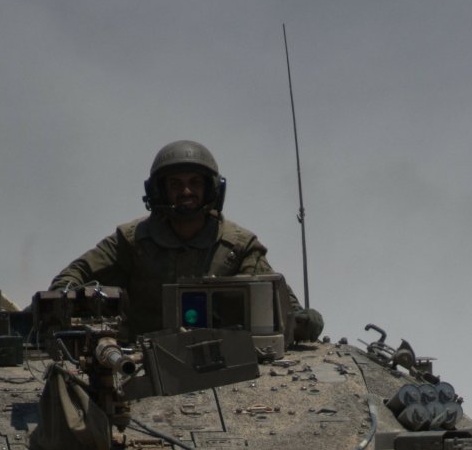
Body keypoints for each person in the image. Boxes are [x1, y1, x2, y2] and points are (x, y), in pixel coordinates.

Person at [50, 140, 321, 339]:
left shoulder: (237, 246)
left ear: (211, 189)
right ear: (159, 191)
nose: (186, 191)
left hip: (224, 363)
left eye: (195, 183)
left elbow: (278, 302)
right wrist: (60, 302)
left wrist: (303, 320)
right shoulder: (132, 241)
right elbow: (74, 275)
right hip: (140, 360)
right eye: (175, 184)